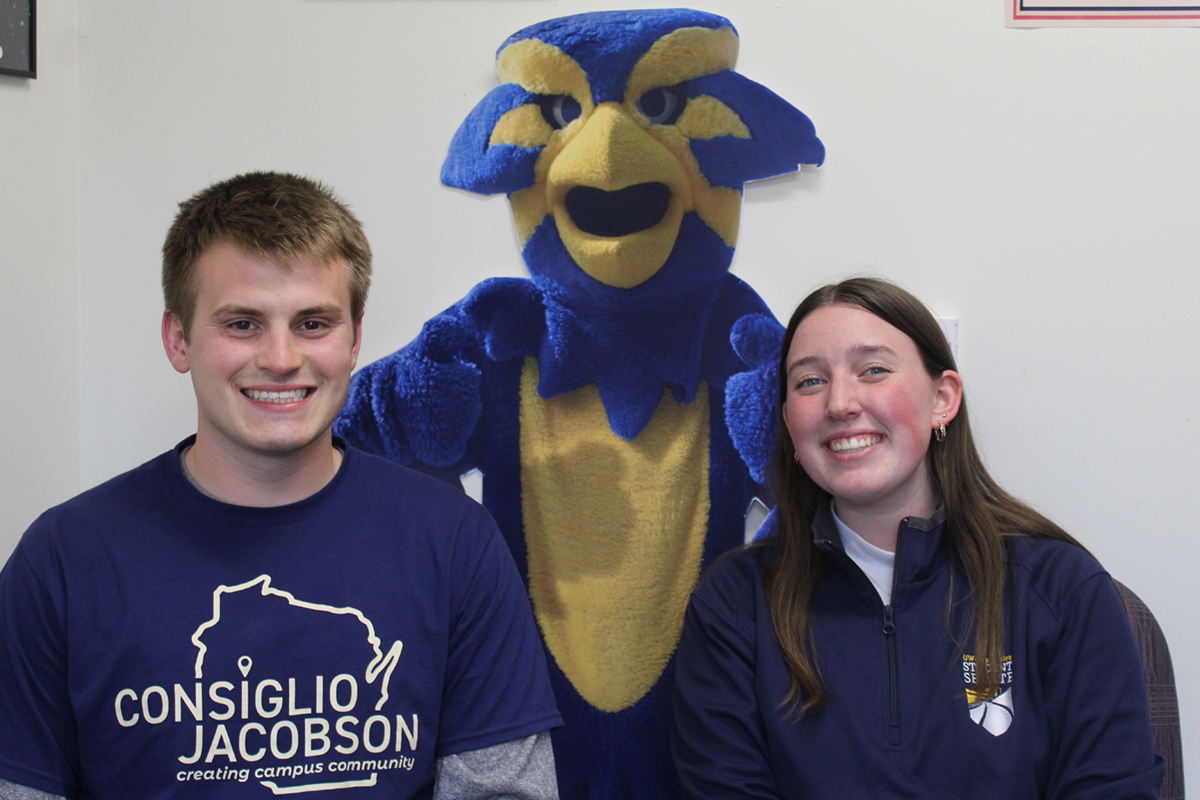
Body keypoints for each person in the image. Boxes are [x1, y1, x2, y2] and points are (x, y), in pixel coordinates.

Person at [0, 171, 562, 799]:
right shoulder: (65, 559)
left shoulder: (455, 543)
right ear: (179, 339)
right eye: (242, 324)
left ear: (353, 339)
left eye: (313, 324)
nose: (280, 358)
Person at [671, 277, 1164, 798]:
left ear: (942, 399)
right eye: (809, 382)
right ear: (789, 421)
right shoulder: (732, 604)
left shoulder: (1061, 589)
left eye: (874, 370)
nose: (840, 403)